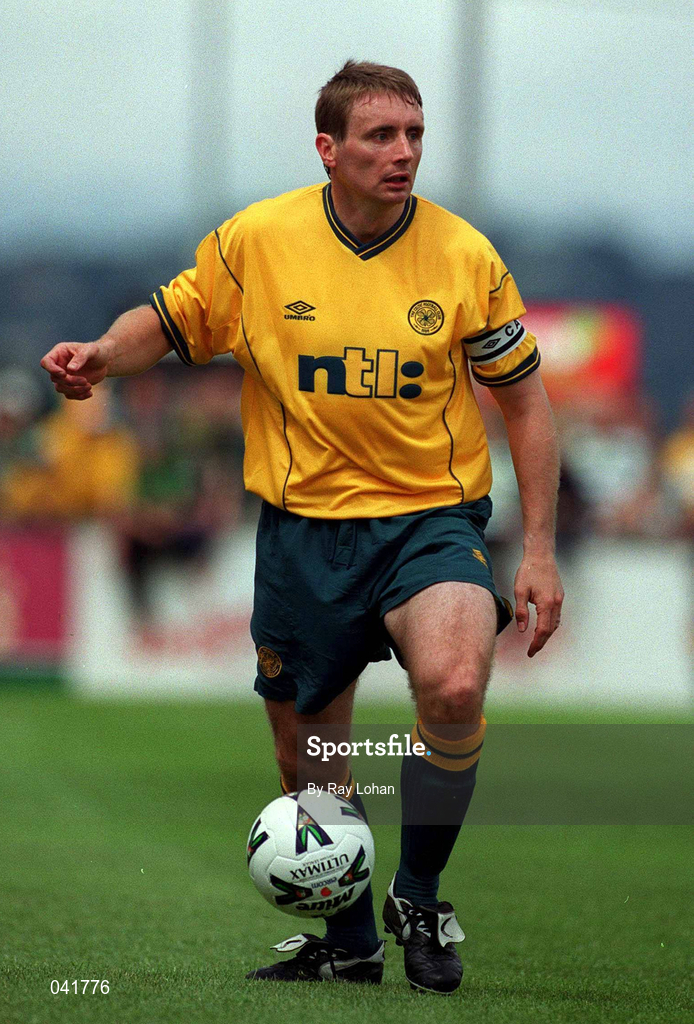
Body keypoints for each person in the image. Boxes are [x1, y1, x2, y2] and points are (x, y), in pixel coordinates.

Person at [40, 60, 564, 994]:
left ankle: (421, 895)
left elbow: (525, 404)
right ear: (329, 149)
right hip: (301, 531)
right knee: (309, 759)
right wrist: (98, 357)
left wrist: (540, 550)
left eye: (413, 135)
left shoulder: (464, 255)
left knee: (452, 686)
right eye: (380, 137)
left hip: (429, 520)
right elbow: (171, 320)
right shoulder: (259, 240)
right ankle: (351, 939)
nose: (403, 154)